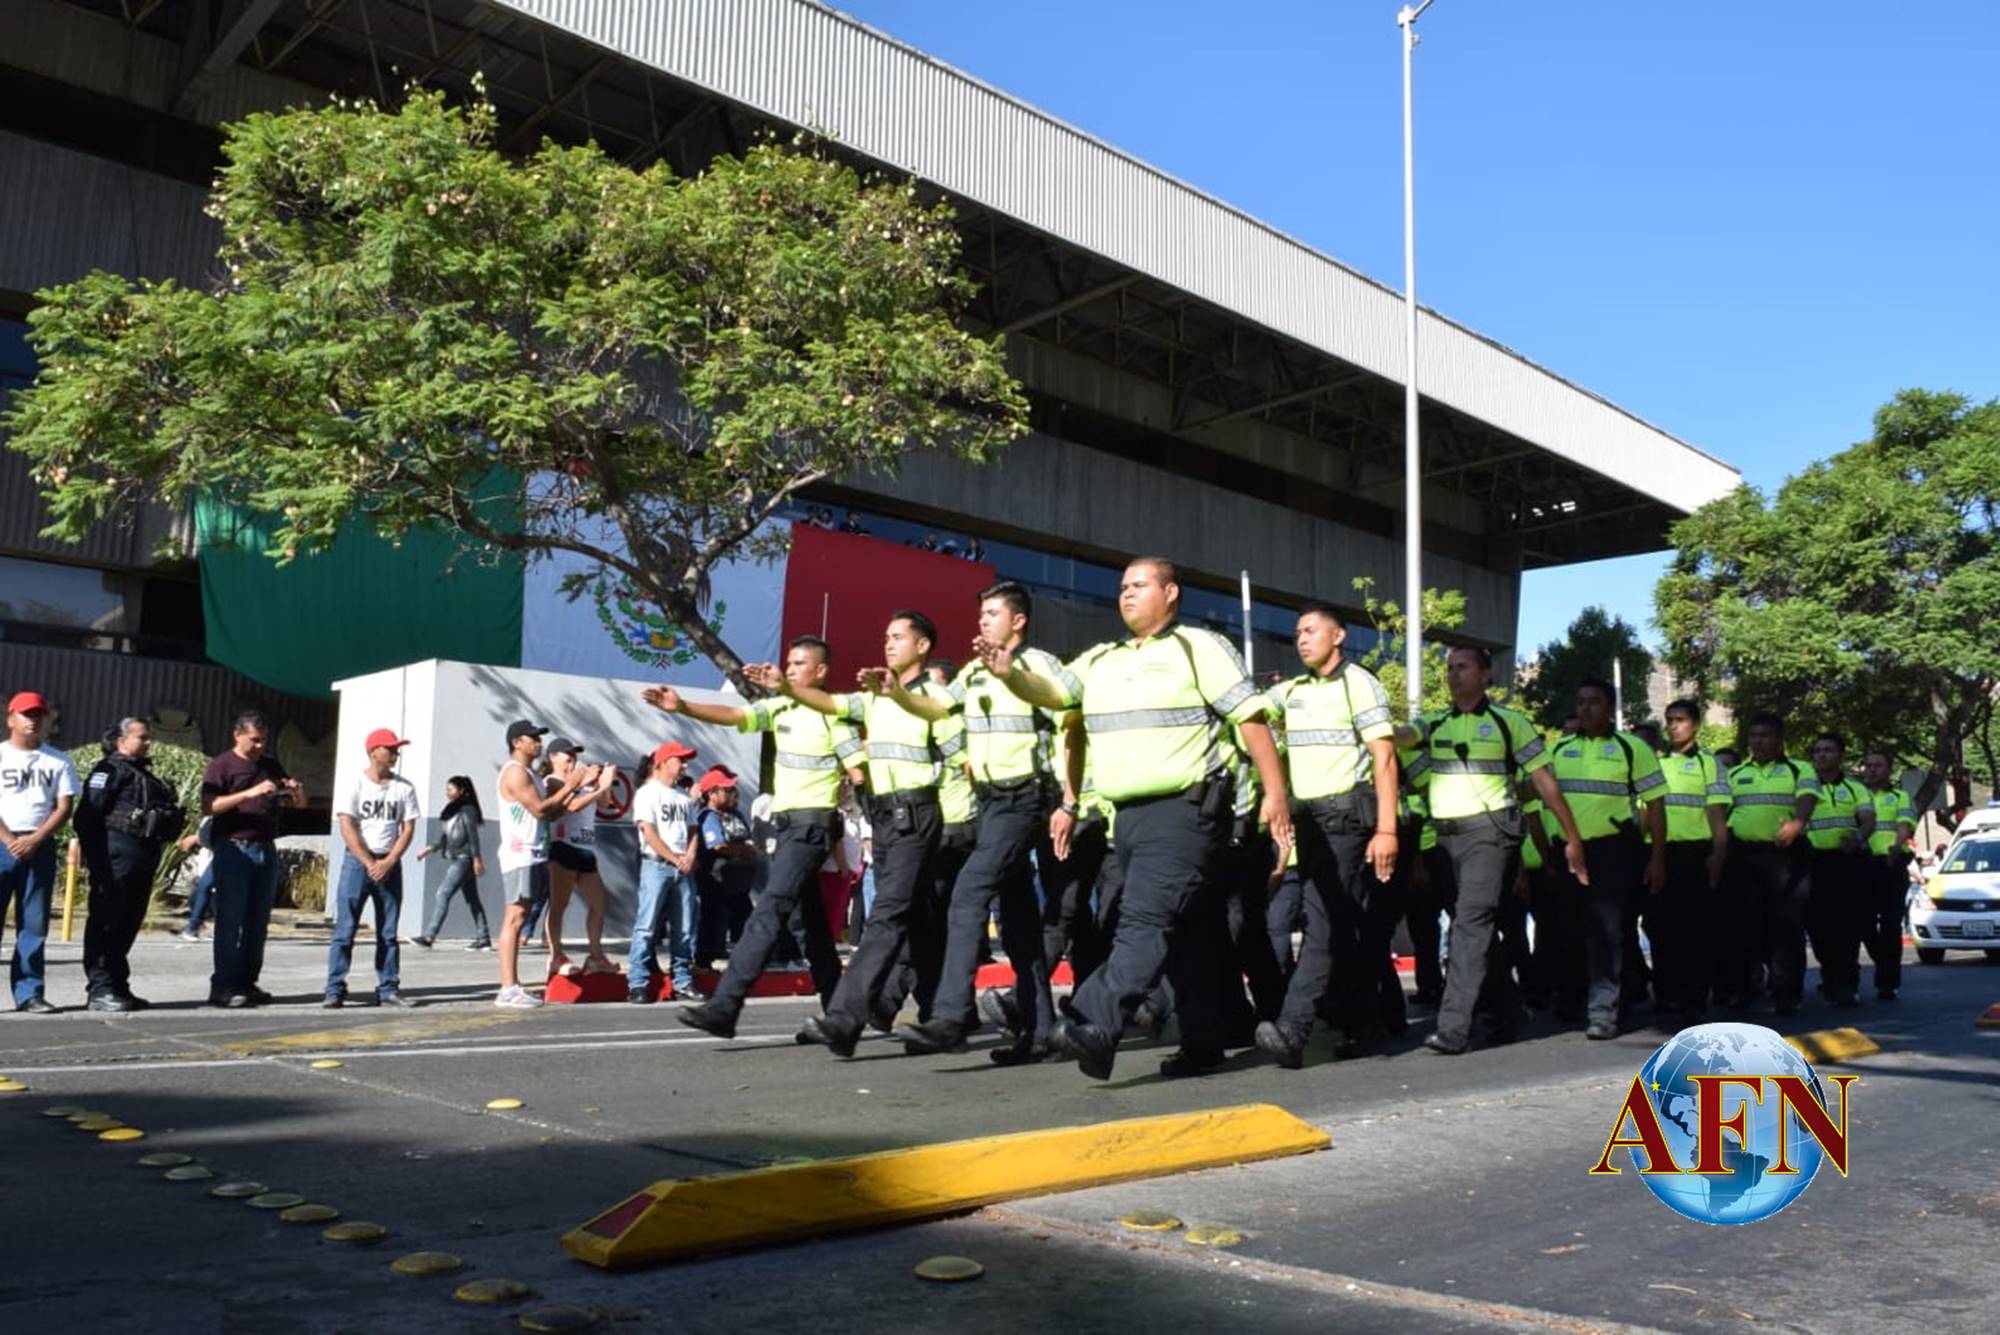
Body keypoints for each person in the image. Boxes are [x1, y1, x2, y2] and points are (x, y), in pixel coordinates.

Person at [969, 558, 1293, 1079]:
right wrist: (1012, 676)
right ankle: (1204, 1042)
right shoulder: (1100, 659)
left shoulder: (1199, 647)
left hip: (1185, 812)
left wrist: (1274, 795)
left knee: (1140, 920)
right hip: (1127, 818)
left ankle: (1092, 1021)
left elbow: (1251, 721)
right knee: (1190, 932)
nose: (1126, 595)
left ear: (1171, 593)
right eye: (1121, 587)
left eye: (1139, 586)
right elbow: (1056, 695)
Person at [867, 582, 1068, 1063]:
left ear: (1018, 621)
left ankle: (951, 1017)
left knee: (969, 892)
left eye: (993, 614)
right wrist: (899, 695)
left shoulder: (1039, 665)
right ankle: (1038, 1032)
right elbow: (936, 706)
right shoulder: (974, 671)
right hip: (989, 804)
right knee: (1018, 922)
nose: (982, 622)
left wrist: (1071, 801)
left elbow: (1062, 705)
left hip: (1026, 799)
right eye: (981, 615)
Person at [651, 637, 864, 1039]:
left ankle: (725, 1007)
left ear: (820, 672)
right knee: (812, 927)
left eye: (799, 663)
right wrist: (684, 707)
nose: (790, 668)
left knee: (768, 912)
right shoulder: (781, 706)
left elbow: (859, 769)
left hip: (811, 827)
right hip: (789, 829)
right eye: (790, 661)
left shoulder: (833, 716)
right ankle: (841, 1017)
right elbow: (734, 715)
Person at [759, 610, 950, 1059]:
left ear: (923, 646)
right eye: (886, 636)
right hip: (885, 818)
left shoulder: (936, 695)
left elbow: (942, 727)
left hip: (917, 814)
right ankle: (946, 1014)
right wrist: (788, 689)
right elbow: (833, 705)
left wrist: (898, 694)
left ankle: (844, 1019)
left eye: (898, 637)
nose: (888, 643)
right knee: (920, 920)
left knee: (885, 917)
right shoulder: (873, 698)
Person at [1400, 648, 1588, 1055]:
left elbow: (1543, 781)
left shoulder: (1510, 723)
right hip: (1445, 839)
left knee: (1470, 921)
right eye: (1449, 669)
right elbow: (1402, 737)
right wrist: (1376, 729)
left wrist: (1571, 837)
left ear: (1486, 675)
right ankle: (1508, 1009)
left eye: (1462, 667)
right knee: (1477, 928)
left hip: (1491, 833)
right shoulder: (1432, 723)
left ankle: (1453, 1027)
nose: (1453, 675)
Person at [1254, 603, 1399, 1068]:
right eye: (1297, 632)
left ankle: (1293, 1028)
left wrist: (1387, 828)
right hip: (1310, 823)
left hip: (1347, 820)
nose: (1301, 639)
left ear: (1338, 636)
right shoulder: (1291, 691)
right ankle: (1370, 1024)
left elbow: (1385, 757)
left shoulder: (1360, 684)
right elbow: (1250, 715)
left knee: (1323, 925)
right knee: (1343, 927)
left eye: (1311, 631)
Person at [1539, 679, 1667, 1040]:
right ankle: (1575, 999)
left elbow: (1655, 804)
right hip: (1566, 852)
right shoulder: (1559, 749)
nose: (1585, 709)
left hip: (1613, 851)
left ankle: (1604, 1009)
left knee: (1608, 931)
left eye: (1594, 702)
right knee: (1570, 929)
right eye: (1580, 702)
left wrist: (1657, 857)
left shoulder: (1632, 749)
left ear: (1610, 708)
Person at [75, 716, 186, 1011]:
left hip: (142, 857)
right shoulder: (109, 770)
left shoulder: (145, 775)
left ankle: (118, 985)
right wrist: (94, 856)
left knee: (127, 924)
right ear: (122, 741)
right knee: (106, 924)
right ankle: (100, 990)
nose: (149, 742)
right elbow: (87, 815)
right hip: (115, 859)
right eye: (143, 737)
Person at [201, 710, 306, 1008]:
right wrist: (250, 792)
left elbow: (299, 801)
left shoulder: (270, 764)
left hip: (265, 848)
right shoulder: (221, 765)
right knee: (230, 920)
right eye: (254, 740)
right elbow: (209, 806)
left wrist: (297, 792)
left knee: (257, 922)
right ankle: (222, 985)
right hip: (234, 848)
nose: (260, 746)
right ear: (238, 735)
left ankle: (247, 982)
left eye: (264, 740)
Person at [1720, 713, 1820, 1015]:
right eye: (1753, 736)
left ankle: (1787, 992)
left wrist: (1797, 822)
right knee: (1744, 926)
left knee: (1786, 927)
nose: (1758, 742)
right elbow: (1721, 813)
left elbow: (1807, 799)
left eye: (1765, 736)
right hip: (1744, 857)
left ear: (1779, 740)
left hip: (1786, 857)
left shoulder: (1798, 769)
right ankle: (1745, 989)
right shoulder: (1735, 774)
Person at [493, 719, 597, 1009]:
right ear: (517, 742)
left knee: (521, 916)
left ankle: (512, 986)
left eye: (539, 738)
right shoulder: (515, 773)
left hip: (535, 852)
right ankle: (507, 987)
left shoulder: (531, 775)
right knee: (514, 918)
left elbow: (551, 813)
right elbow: (539, 810)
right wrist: (573, 785)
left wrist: (577, 788)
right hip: (520, 853)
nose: (538, 742)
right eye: (533, 738)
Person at [324, 727, 420, 1008]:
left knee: (388, 931)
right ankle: (335, 987)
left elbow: (408, 828)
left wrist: (389, 861)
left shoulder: (404, 787)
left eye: (396, 749)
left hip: (389, 862)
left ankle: (388, 987)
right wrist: (368, 862)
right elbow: (347, 825)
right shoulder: (354, 783)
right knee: (345, 928)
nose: (395, 754)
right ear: (373, 751)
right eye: (389, 749)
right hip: (357, 862)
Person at [1650, 699, 1732, 1021]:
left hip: (1696, 855)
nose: (1673, 726)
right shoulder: (1655, 763)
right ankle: (1667, 995)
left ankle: (1695, 999)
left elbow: (1717, 814)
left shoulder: (1708, 764)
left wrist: (1718, 856)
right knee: (1660, 928)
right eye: (1669, 720)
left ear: (1696, 724)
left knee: (1696, 931)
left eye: (1680, 720)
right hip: (1659, 854)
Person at [1, 691, 79, 1013]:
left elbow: (64, 806)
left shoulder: (58, 760)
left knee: (33, 925)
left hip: (39, 848)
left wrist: (35, 839)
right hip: (3, 844)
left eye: (37, 715)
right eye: (25, 714)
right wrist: (8, 839)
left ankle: (29, 992)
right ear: (11, 719)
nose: (32, 720)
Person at [1802, 732, 1875, 1008]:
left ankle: (1846, 983)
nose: (1822, 755)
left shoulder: (1855, 788)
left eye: (1828, 750)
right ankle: (1831, 975)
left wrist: (1857, 838)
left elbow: (1868, 820)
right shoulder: (1805, 788)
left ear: (1840, 755)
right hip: (1814, 863)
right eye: (1818, 751)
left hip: (1847, 864)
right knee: (1818, 927)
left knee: (1848, 926)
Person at [543, 738, 620, 979]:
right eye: (567, 755)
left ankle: (596, 956)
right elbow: (572, 806)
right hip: (563, 845)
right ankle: (556, 955)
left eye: (574, 755)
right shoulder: (553, 782)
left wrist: (604, 783)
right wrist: (591, 786)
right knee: (559, 904)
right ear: (552, 757)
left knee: (599, 902)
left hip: (586, 847)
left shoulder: (584, 782)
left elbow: (605, 803)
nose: (572, 760)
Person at [630, 741, 700, 1001]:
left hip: (682, 869)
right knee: (646, 925)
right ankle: (637, 983)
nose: (684, 766)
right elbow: (648, 831)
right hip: (656, 865)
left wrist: (690, 855)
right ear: (663, 762)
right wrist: (674, 857)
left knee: (684, 928)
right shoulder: (648, 793)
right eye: (679, 760)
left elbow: (693, 830)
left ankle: (682, 980)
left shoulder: (683, 797)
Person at [411, 776, 492, 950]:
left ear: (462, 790)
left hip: (464, 859)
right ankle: (483, 937)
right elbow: (446, 836)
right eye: (447, 789)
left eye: (451, 789)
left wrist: (477, 859)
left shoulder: (467, 809)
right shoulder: (452, 810)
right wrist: (430, 849)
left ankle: (429, 936)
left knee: (443, 894)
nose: (447, 793)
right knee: (472, 899)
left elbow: (472, 835)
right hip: (458, 858)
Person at [1860, 750, 1917, 1000]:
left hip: (1890, 865)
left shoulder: (1900, 796)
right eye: (1868, 765)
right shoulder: (1856, 795)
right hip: (1862, 864)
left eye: (1878, 765)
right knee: (1864, 923)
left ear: (1889, 770)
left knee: (1891, 925)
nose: (1872, 770)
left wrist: (1896, 846)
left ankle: (1887, 982)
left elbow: (1904, 824)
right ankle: (1885, 962)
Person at [694, 766, 757, 966]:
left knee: (745, 921)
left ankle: (742, 957)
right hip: (717, 881)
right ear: (712, 794)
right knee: (713, 920)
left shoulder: (735, 815)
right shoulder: (708, 816)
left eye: (732, 790)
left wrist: (749, 849)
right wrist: (741, 851)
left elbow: (747, 837)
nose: (731, 794)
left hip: (739, 883)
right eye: (726, 790)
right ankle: (704, 960)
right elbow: (718, 845)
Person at [174, 821, 214, 942]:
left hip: (225, 852)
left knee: (204, 887)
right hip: (212, 853)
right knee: (203, 891)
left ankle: (193, 926)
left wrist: (196, 839)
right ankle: (198, 925)